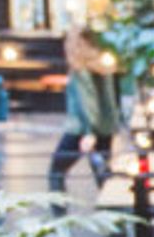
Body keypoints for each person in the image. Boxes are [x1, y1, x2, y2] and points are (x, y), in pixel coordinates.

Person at [47, 25, 120, 195]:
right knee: (102, 174)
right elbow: (110, 100)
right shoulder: (103, 65)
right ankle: (115, 214)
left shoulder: (80, 69)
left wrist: (89, 131)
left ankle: (60, 216)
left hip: (81, 129)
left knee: (56, 171)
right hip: (105, 129)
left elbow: (87, 101)